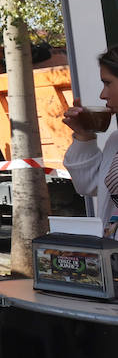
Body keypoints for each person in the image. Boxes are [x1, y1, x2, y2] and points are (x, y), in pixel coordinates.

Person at [62, 45, 118, 238]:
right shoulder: (115, 140)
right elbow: (88, 185)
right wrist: (83, 135)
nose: (103, 95)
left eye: (107, 83)